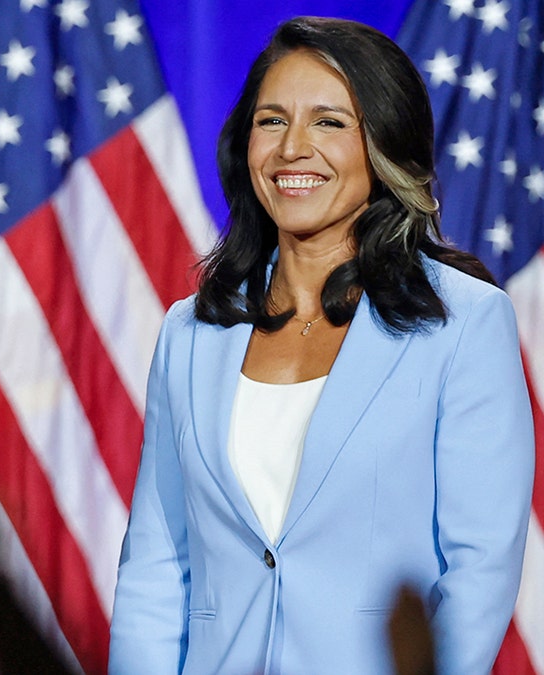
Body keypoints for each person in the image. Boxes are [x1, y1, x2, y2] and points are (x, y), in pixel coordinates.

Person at [108, 16, 533, 675]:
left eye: (329, 122)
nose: (291, 149)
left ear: (383, 145)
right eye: (272, 120)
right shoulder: (189, 331)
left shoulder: (468, 323)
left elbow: (479, 569)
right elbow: (158, 566)